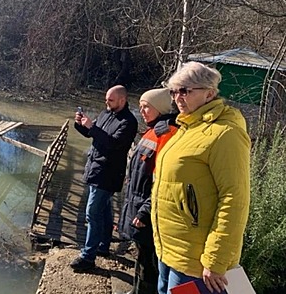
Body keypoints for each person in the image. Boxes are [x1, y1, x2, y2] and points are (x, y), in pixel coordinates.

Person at [151, 62, 251, 294]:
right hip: (169, 251)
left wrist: (216, 260)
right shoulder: (186, 128)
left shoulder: (226, 134)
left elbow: (235, 199)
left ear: (210, 93)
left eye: (185, 91)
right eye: (174, 91)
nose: (178, 97)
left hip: (196, 262)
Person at [70, 85, 138, 272]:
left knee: (92, 213)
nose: (106, 103)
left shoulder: (129, 122)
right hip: (95, 169)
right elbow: (94, 135)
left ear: (122, 100)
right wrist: (81, 125)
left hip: (108, 174)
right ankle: (103, 246)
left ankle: (87, 257)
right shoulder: (106, 113)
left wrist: (92, 127)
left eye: (111, 100)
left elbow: (113, 145)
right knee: (104, 210)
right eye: (106, 99)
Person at [117, 88, 178, 294]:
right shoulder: (152, 131)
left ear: (159, 108)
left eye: (146, 107)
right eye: (141, 106)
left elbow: (166, 180)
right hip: (137, 203)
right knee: (141, 255)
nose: (142, 111)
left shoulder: (167, 134)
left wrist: (145, 210)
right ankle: (135, 291)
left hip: (149, 210)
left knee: (150, 264)